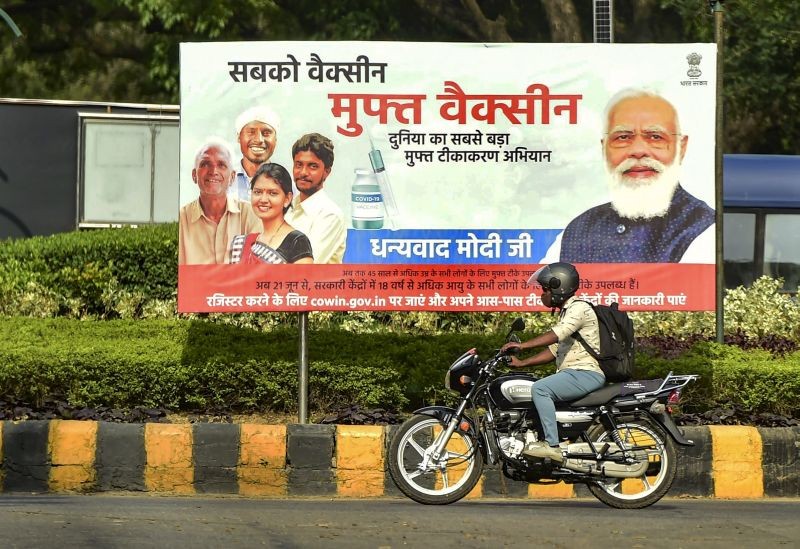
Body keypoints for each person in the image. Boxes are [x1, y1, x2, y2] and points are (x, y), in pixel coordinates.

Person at [543, 88, 715, 263]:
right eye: (623, 137)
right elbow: (539, 289)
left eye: (655, 137)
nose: (638, 151)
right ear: (604, 149)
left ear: (681, 148)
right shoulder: (577, 231)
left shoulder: (704, 230)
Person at [500, 262, 605, 462]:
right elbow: (555, 350)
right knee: (536, 386)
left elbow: (557, 335)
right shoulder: (568, 311)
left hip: (585, 372)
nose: (542, 294)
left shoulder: (579, 308)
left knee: (540, 389)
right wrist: (522, 364)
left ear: (559, 288)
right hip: (574, 373)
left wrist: (522, 346)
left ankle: (552, 445)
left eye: (545, 289)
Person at [179, 140, 261, 265]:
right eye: (205, 164)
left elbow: (258, 270)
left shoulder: (251, 215)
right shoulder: (181, 219)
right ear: (194, 175)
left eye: (222, 165)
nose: (213, 171)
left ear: (232, 177)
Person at [229, 163, 313, 264]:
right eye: (257, 192)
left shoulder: (297, 242)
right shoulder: (243, 243)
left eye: (272, 193)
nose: (263, 199)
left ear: (287, 199)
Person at [284, 133, 346, 264]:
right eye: (298, 165)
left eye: (312, 166)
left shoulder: (330, 215)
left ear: (326, 172)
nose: (303, 172)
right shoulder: (287, 207)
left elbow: (304, 267)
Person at [230, 106, 281, 202]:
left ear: (275, 140)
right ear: (238, 137)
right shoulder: (223, 180)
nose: (259, 140)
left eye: (266, 133)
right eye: (251, 132)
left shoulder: (287, 183)